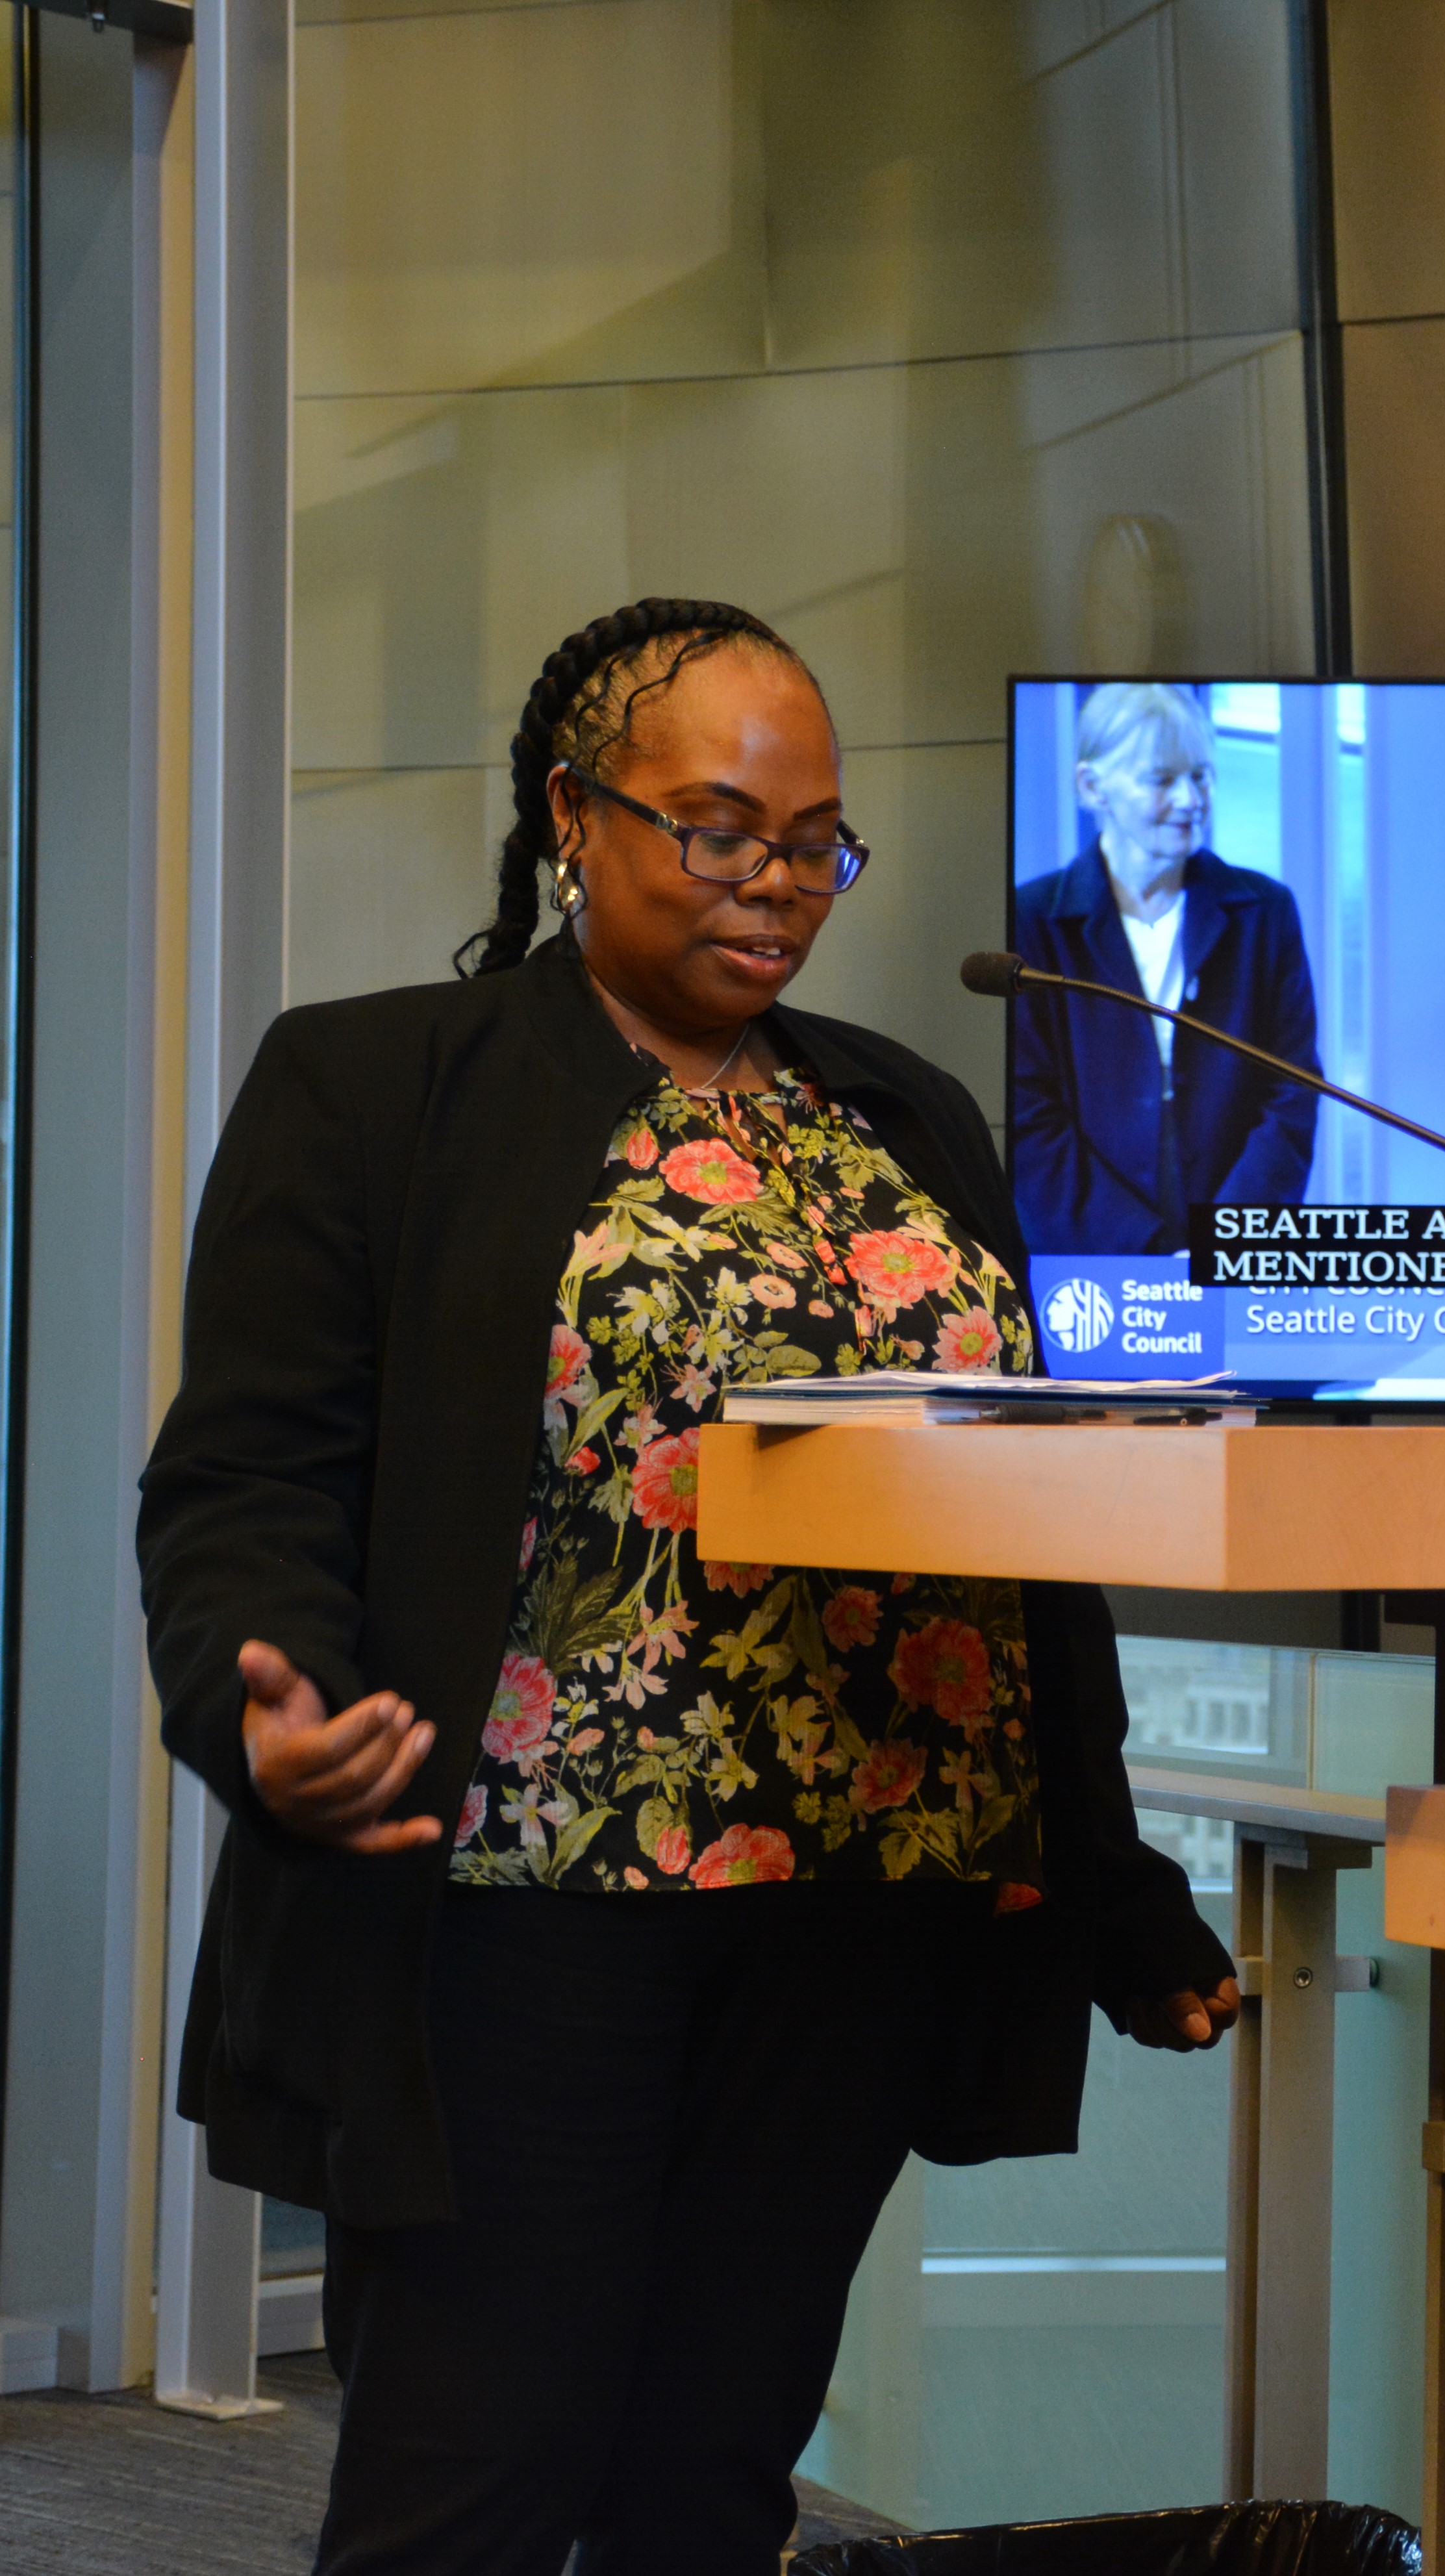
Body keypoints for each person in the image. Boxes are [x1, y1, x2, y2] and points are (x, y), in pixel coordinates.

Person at [136, 599, 1240, 2575]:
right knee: (476, 2478)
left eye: (814, 838)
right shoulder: (381, 1086)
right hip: (527, 1906)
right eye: (714, 826)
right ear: (574, 814)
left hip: (858, 1904)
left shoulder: (905, 1111)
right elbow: (252, 1475)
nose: (775, 884)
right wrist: (267, 1702)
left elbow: (1019, 1531)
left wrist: (1113, 1880)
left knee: (712, 2487)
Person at [1008, 683, 1320, 1254]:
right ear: (1091, 786)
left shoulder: (1265, 913)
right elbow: (1029, 1121)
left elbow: (1292, 1091)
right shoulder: (1029, 923)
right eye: (1162, 779)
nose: (1190, 799)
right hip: (1092, 1260)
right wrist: (1146, 1257)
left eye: (1201, 776)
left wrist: (1226, 1243)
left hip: (1236, 1247)